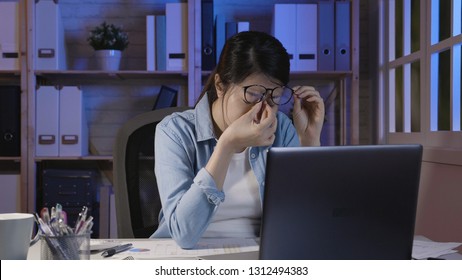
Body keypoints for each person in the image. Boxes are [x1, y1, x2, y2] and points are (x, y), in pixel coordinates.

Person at [151, 31, 325, 248]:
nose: (264, 109)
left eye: (275, 96)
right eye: (253, 95)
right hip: (186, 256)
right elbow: (184, 234)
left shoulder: (282, 130)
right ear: (220, 85)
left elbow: (305, 224)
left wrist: (309, 142)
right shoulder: (174, 131)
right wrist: (227, 144)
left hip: (260, 255)